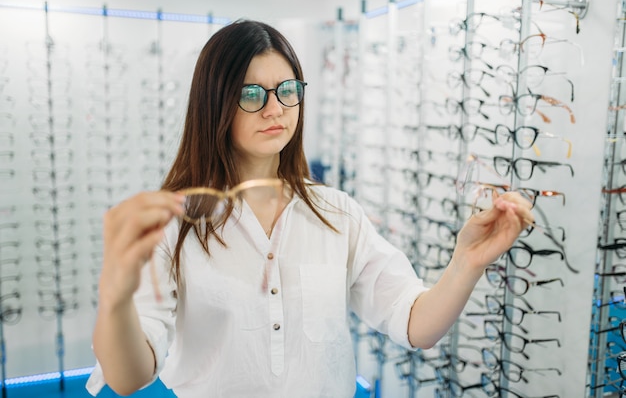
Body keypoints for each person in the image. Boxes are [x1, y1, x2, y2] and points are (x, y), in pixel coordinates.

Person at [86, 19, 533, 398]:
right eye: (251, 94)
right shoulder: (176, 225)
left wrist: (467, 262)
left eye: (286, 90)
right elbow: (130, 377)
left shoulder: (336, 213)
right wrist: (116, 295)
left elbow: (416, 323)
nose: (274, 108)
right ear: (215, 102)